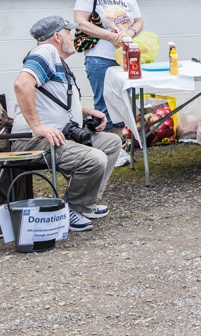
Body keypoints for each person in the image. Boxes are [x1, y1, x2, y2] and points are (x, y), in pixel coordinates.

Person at [10, 16, 121, 231]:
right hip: (32, 141)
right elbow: (22, 84)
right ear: (57, 37)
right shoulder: (45, 52)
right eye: (69, 32)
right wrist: (37, 127)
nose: (74, 36)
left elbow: (53, 101)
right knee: (95, 157)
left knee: (111, 143)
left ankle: (85, 205)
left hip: (59, 135)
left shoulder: (56, 61)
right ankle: (69, 210)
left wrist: (85, 111)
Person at [74, 0, 143, 167]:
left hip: (125, 56)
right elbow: (80, 22)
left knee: (124, 100)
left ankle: (120, 144)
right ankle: (104, 148)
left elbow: (139, 20)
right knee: (103, 102)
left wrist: (130, 33)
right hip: (99, 56)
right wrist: (109, 36)